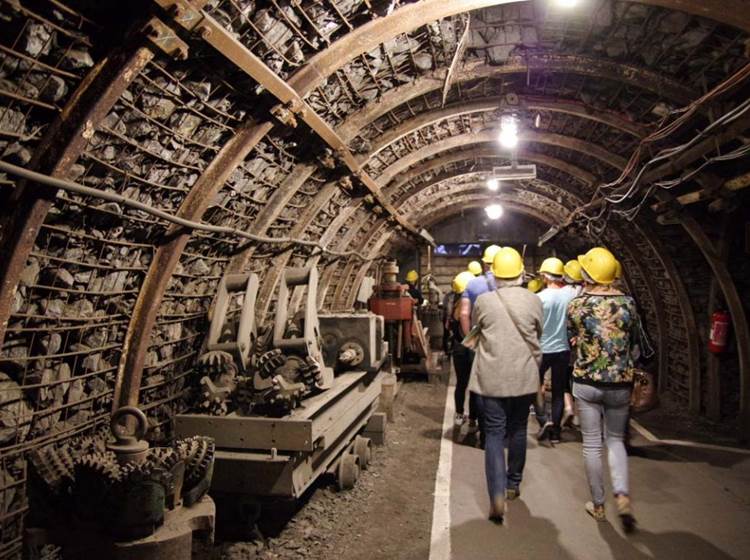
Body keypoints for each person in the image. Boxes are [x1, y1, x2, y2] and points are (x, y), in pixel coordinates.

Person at [567, 247, 640, 533]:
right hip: (620, 382)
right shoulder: (629, 304)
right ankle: (622, 494)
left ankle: (598, 505)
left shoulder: (577, 305)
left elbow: (571, 336)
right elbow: (634, 341)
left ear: (587, 273)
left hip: (586, 383)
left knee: (592, 444)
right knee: (615, 441)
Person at [469, 247, 542, 523]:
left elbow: (477, 331)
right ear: (522, 273)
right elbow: (539, 335)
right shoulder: (534, 300)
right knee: (519, 428)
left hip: (491, 377)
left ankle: (496, 495)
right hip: (523, 376)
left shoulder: (484, 301)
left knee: (495, 434)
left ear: (494, 274)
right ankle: (513, 484)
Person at [533, 257, 576, 444]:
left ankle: (543, 419)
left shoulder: (539, 298)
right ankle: (557, 432)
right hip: (562, 349)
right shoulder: (570, 295)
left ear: (545, 275)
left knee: (534, 386)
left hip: (542, 348)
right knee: (559, 391)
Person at [459, 245, 501, 436]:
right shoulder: (508, 285)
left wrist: (470, 339)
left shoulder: (473, 285)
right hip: (502, 343)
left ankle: (478, 424)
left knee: (478, 386)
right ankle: (496, 427)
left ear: (485, 263)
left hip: (479, 341)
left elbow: (464, 314)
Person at [447, 271, 479, 427]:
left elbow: (449, 326)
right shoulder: (474, 305)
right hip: (472, 347)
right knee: (474, 385)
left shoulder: (453, 304)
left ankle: (459, 414)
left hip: (458, 348)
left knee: (461, 383)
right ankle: (473, 418)